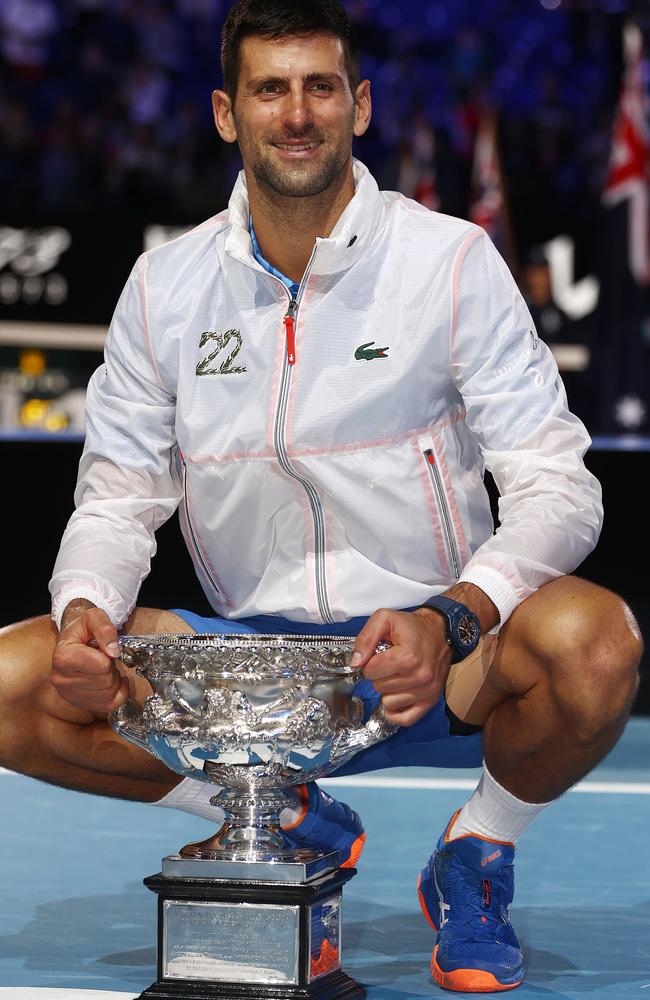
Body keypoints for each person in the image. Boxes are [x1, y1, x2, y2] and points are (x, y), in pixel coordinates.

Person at [0, 0, 642, 993]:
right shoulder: (162, 289)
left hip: (425, 656)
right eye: (269, 89)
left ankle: (474, 851)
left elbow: (558, 482)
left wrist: (455, 615)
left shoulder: (449, 261)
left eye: (319, 87)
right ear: (226, 112)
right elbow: (120, 494)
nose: (295, 114)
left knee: (595, 642)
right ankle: (271, 802)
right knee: (13, 679)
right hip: (243, 666)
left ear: (358, 105)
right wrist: (85, 610)